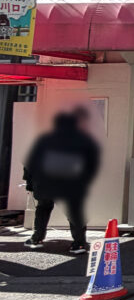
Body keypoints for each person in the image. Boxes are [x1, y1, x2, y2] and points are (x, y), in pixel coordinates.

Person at [23, 108, 100, 254]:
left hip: (44, 183)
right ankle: (79, 243)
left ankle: (37, 238)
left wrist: (30, 183)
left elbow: (30, 163)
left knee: (43, 208)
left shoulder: (44, 139)